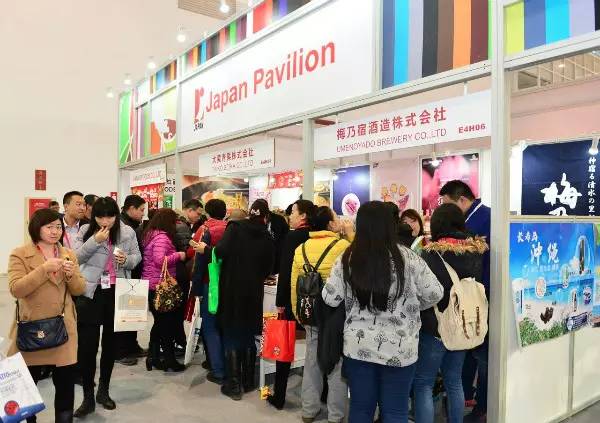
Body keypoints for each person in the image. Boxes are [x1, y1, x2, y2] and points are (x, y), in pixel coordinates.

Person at [323, 201, 443, 423]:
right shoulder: (409, 258)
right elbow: (435, 293)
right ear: (391, 225)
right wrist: (412, 306)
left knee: (360, 409)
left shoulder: (347, 257)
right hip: (401, 349)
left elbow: (330, 297)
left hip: (358, 347)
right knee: (396, 412)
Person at [7, 209, 86, 423]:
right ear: (36, 228)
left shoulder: (68, 253)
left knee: (65, 387)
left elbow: (79, 289)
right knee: (26, 388)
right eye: (49, 227)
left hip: (63, 329)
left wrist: (70, 275)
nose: (55, 231)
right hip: (31, 329)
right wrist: (43, 269)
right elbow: (16, 289)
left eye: (58, 227)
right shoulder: (20, 254)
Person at [414, 203, 488, 423]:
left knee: (424, 383)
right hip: (463, 325)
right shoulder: (475, 252)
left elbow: (423, 291)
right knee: (454, 381)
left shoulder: (431, 254)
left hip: (434, 327)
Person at [195, 200, 275, 401]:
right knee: (248, 334)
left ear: (250, 213)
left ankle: (233, 385)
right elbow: (269, 268)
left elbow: (221, 252)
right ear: (265, 217)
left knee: (231, 333)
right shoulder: (267, 236)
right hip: (254, 292)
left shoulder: (236, 228)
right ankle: (248, 381)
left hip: (232, 289)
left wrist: (206, 249)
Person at [72, 197, 142, 418]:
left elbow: (137, 257)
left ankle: (104, 391)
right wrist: (95, 240)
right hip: (90, 293)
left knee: (110, 344)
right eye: (100, 217)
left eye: (109, 217)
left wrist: (126, 260)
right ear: (93, 216)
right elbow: (75, 257)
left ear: (116, 215)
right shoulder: (85, 230)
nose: (105, 221)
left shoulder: (127, 232)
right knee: (87, 347)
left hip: (116, 291)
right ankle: (88, 397)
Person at [290, 206, 352, 423]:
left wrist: (299, 313)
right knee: (336, 361)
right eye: (336, 218)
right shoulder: (343, 246)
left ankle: (308, 410)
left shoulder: (301, 248)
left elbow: (294, 285)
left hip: (309, 310)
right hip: (336, 311)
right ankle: (336, 415)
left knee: (312, 360)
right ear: (330, 223)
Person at [440, 180, 491, 422]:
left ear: (462, 199)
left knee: (483, 356)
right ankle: (469, 398)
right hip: (469, 299)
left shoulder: (484, 219)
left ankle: (483, 407)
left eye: (447, 204)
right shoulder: (474, 218)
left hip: (480, 297)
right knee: (470, 353)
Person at [267, 199, 316, 410]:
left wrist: (280, 301)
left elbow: (286, 271)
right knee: (317, 346)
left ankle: (279, 395)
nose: (290, 216)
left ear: (303, 215)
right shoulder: (318, 235)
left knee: (285, 346)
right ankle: (321, 394)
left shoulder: (293, 237)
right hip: (315, 299)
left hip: (293, 298)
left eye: (294, 212)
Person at [142, 208, 187, 373]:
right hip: (160, 287)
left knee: (160, 323)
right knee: (167, 325)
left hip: (153, 285)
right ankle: (169, 360)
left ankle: (153, 357)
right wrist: (179, 255)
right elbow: (160, 260)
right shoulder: (162, 237)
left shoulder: (151, 235)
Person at [189, 199, 229, 385]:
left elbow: (199, 262)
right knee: (225, 325)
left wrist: (196, 289)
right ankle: (229, 366)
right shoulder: (231, 230)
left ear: (207, 212)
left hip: (209, 283)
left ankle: (218, 369)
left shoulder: (205, 230)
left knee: (210, 326)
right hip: (229, 284)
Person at [114, 194, 147, 366]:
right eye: (141, 210)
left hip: (133, 275)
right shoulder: (122, 227)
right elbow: (118, 254)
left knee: (132, 314)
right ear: (131, 208)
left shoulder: (133, 225)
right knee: (122, 316)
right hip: (123, 277)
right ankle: (120, 352)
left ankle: (132, 346)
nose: (143, 213)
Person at [255, 198, 290, 274]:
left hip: (276, 257)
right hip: (260, 257)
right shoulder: (254, 219)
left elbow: (286, 237)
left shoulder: (279, 219)